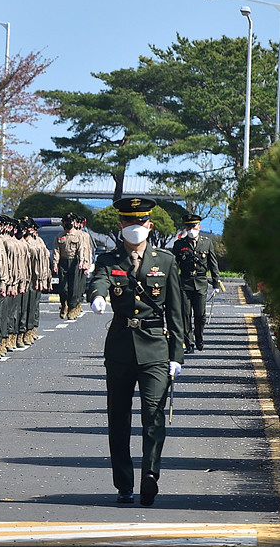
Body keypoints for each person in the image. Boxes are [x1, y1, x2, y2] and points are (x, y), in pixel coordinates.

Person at [87, 197, 184, 506]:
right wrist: (98, 297)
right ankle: (124, 484)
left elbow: (177, 312)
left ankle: (150, 476)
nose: (135, 228)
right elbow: (99, 281)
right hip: (119, 348)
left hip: (155, 346)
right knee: (118, 419)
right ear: (121, 226)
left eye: (140, 223)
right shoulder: (109, 260)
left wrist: (176, 356)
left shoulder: (165, 261)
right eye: (129, 223)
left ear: (149, 225)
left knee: (154, 416)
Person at [173, 214, 220, 353]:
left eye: (193, 226)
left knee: (200, 315)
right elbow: (174, 266)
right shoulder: (179, 244)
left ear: (199, 227)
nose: (191, 229)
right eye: (188, 227)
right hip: (184, 283)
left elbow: (213, 264)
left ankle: (199, 337)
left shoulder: (207, 243)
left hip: (200, 282)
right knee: (185, 314)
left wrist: (216, 284)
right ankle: (189, 343)